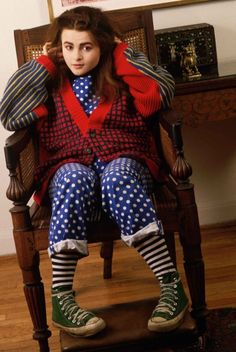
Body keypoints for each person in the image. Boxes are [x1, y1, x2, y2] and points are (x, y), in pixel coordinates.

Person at [0, 6, 189, 337]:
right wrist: (44, 62)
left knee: (118, 176)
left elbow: (160, 93)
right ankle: (62, 300)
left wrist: (121, 54)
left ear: (102, 46)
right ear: (58, 47)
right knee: (73, 177)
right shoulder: (51, 77)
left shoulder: (119, 70)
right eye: (69, 46)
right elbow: (10, 113)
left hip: (125, 160)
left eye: (86, 47)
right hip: (68, 167)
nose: (76, 56)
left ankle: (172, 287)